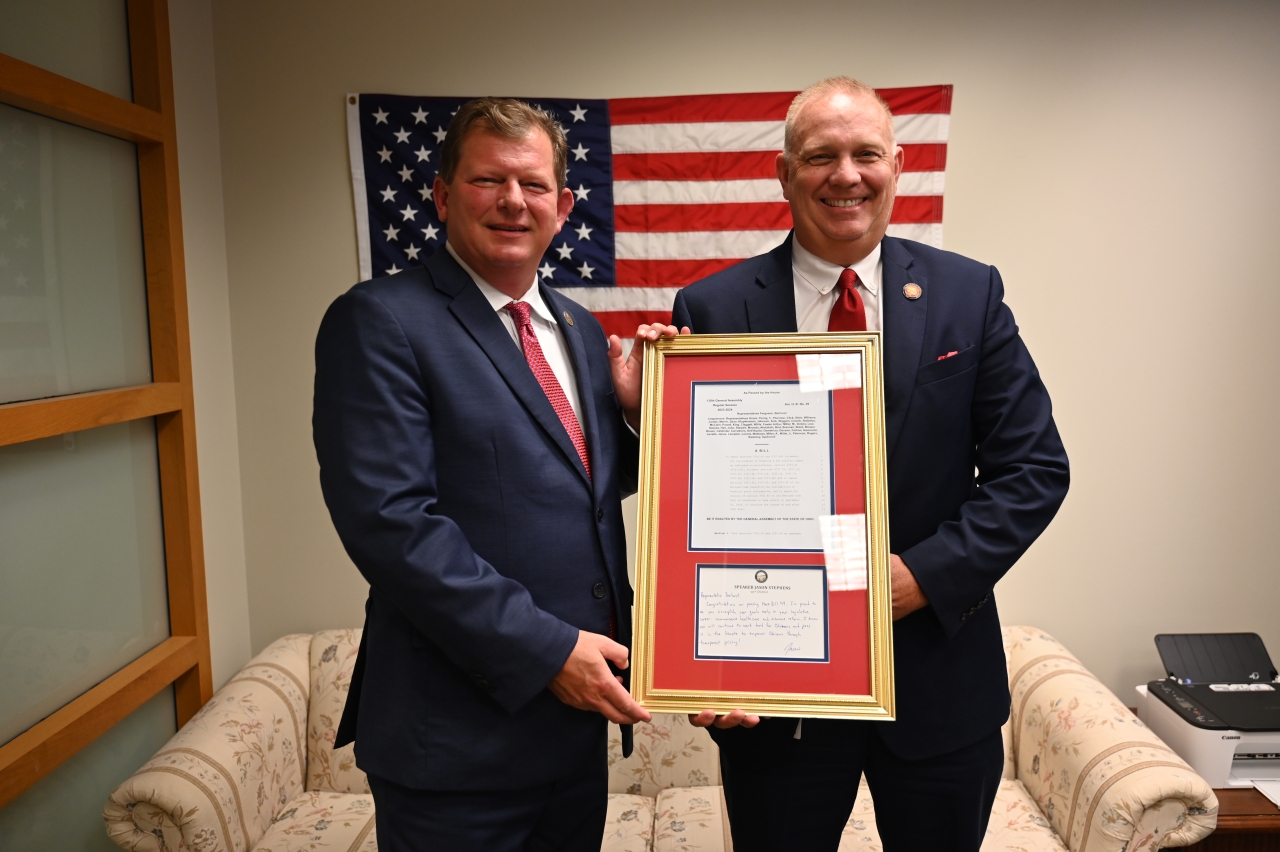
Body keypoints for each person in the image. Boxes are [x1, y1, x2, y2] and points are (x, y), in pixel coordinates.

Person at [672, 77, 1070, 851]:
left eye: (865, 154)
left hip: (939, 687)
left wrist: (922, 577)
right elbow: (699, 504)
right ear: (785, 174)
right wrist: (705, 659)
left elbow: (1034, 472)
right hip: (777, 697)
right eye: (820, 156)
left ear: (898, 164)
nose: (845, 175)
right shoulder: (713, 310)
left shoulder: (969, 294)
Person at [313, 97, 679, 851]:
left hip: (572, 733)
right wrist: (549, 653)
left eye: (534, 185)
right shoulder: (380, 320)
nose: (514, 201)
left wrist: (641, 417)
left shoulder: (576, 329)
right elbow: (392, 525)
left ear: (564, 205)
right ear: (445, 196)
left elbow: (580, 485)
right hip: (454, 743)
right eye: (488, 180)